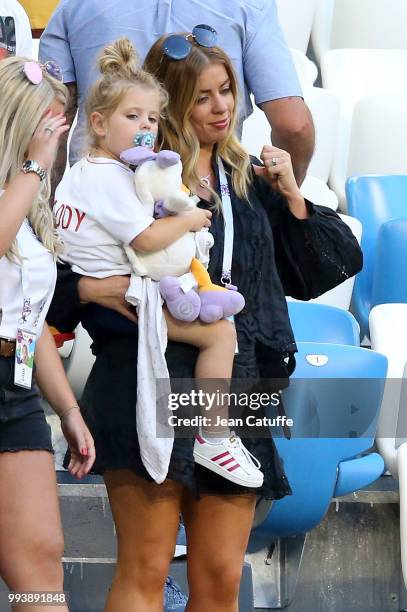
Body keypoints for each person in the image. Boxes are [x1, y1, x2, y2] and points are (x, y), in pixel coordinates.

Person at [47, 29, 362, 611]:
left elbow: (330, 267)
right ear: (171, 103)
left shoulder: (250, 183)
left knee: (219, 579)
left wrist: (294, 198)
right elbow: (58, 281)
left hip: (238, 387)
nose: (221, 108)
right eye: (202, 96)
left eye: (227, 92)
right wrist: (93, 287)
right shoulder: (129, 178)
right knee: (144, 571)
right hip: (145, 376)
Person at [55, 37, 263, 489]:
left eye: (151, 118)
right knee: (221, 332)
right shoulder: (110, 177)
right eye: (132, 117)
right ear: (98, 122)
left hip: (128, 290)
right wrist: (189, 219)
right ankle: (215, 434)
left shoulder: (81, 171)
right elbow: (148, 240)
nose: (145, 128)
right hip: (134, 296)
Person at [39, 0, 314, 192]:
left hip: (99, 203)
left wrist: (44, 224)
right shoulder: (250, 5)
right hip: (207, 205)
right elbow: (294, 125)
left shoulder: (73, 5)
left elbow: (49, 127)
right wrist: (278, 206)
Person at [0, 55, 95, 610]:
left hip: (15, 388)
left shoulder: (30, 201)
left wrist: (68, 410)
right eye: (49, 127)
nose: (55, 142)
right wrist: (33, 168)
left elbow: (29, 324)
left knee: (41, 564)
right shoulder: (25, 184)